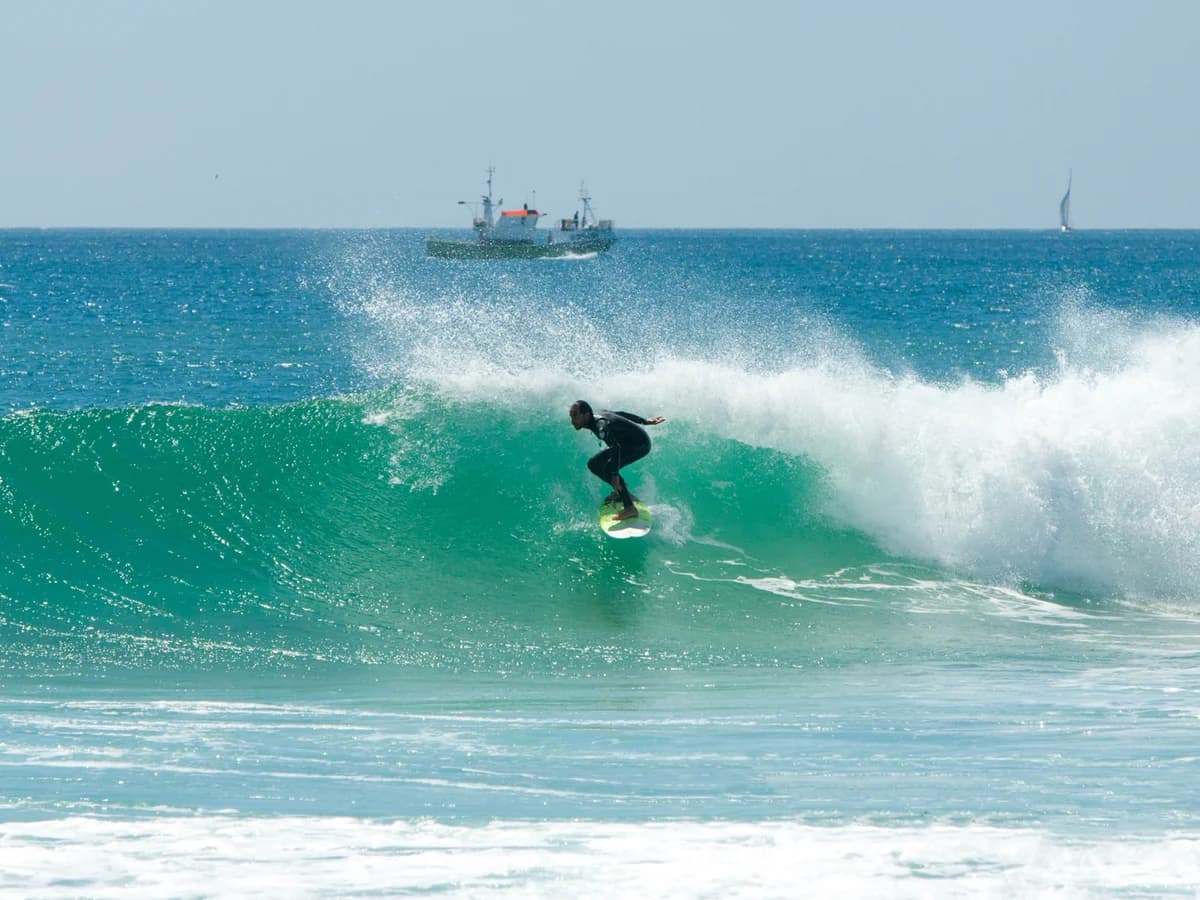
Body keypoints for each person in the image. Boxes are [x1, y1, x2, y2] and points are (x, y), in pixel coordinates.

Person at [569, 401, 666, 521]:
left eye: (575, 416)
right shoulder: (597, 414)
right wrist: (644, 421)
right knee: (593, 464)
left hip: (640, 444)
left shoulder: (601, 426)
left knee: (611, 468)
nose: (572, 421)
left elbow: (615, 448)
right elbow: (621, 414)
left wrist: (614, 476)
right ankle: (623, 493)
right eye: (571, 416)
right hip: (625, 443)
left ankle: (630, 508)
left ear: (586, 414)